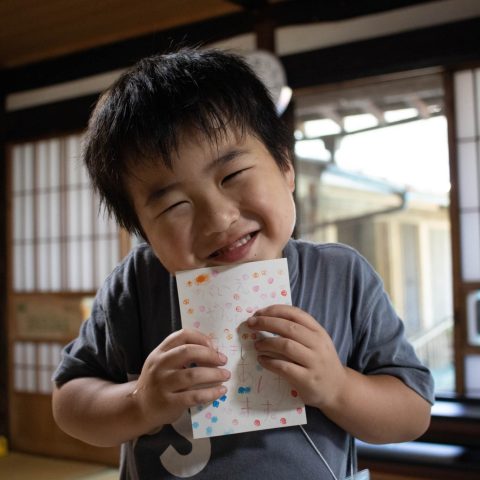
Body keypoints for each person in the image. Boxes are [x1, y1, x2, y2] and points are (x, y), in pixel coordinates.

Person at [52, 47, 434, 480]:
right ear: (143, 231)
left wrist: (338, 387)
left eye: (232, 176)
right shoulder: (137, 284)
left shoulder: (341, 277)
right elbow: (70, 400)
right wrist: (140, 402)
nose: (218, 219)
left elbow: (412, 413)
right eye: (174, 205)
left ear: (285, 166)